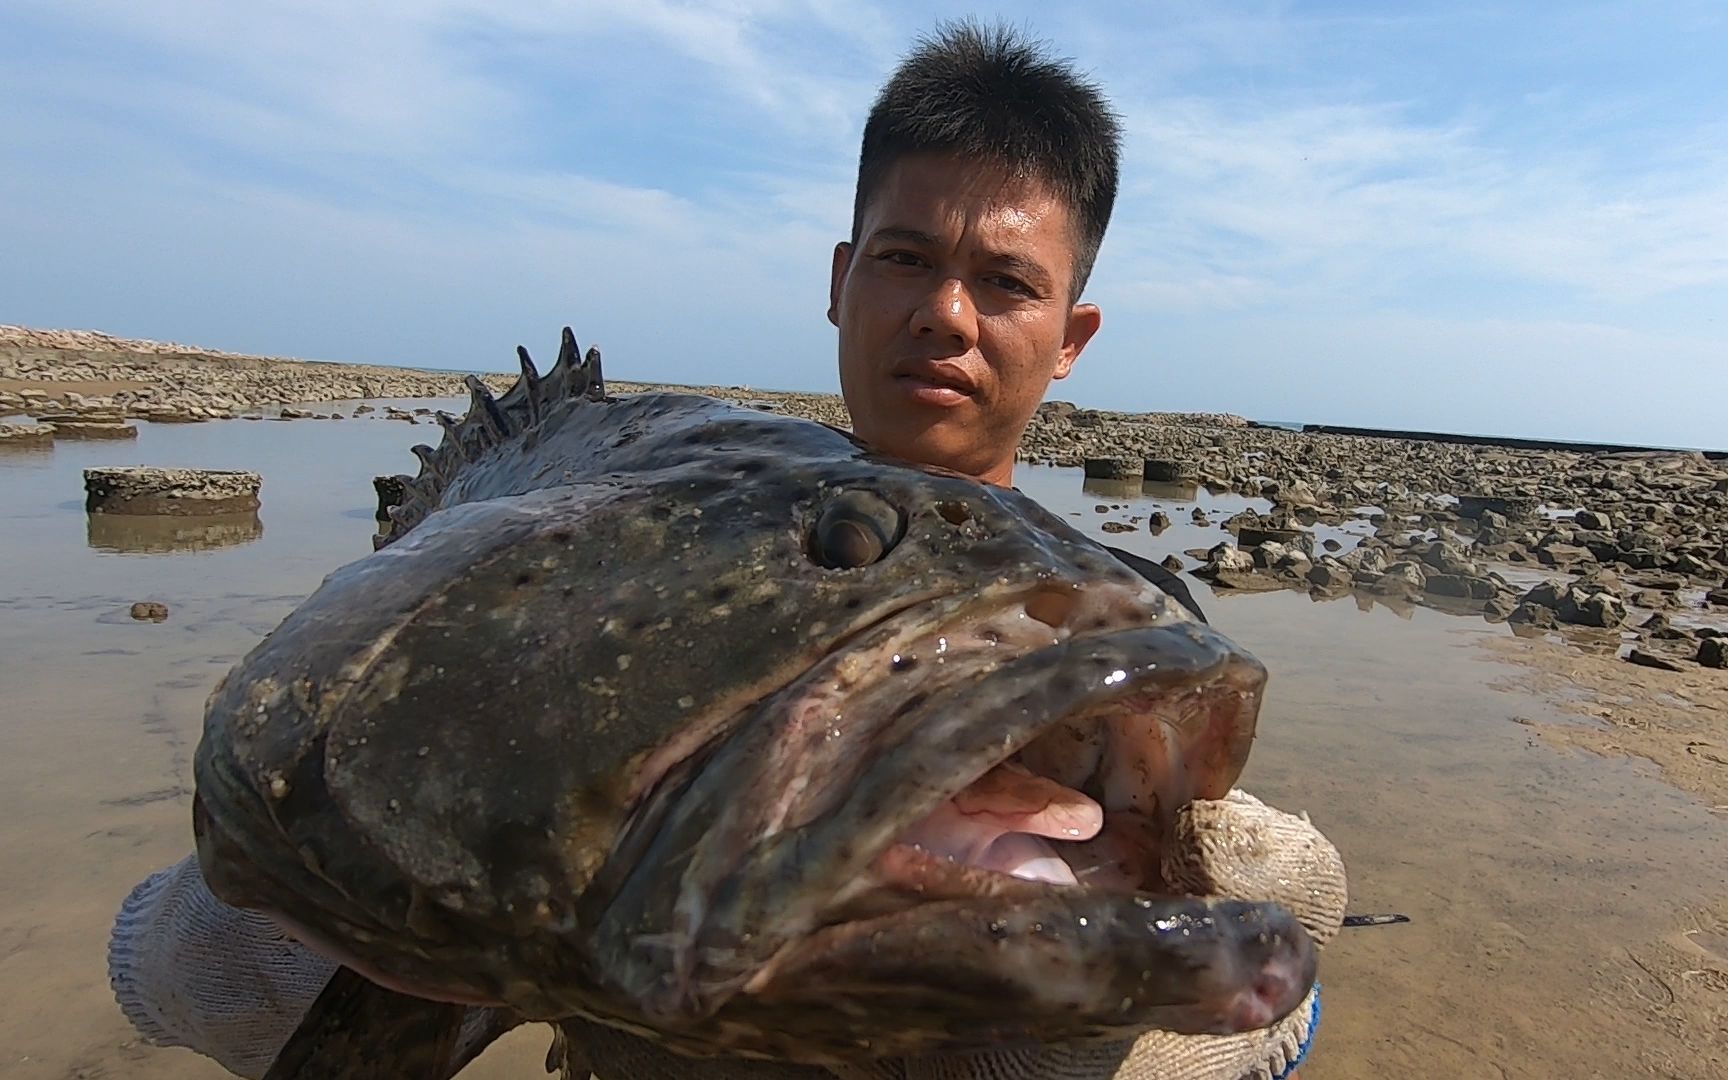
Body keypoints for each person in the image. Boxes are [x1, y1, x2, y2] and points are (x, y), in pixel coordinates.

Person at [108, 20, 1330, 1079]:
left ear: (1071, 336)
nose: (945, 314)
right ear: (844, 280)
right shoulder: (683, 518)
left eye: (1006, 280)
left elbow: (1223, 957)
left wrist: (1256, 1023)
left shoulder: (1135, 618)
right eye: (907, 258)